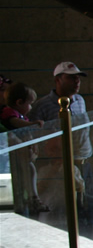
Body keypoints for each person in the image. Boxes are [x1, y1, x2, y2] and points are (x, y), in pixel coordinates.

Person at [30, 62, 93, 232]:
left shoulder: (80, 101)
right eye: (71, 78)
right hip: (60, 167)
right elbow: (34, 137)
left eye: (78, 78)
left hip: (83, 161)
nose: (77, 81)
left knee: (85, 206)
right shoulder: (42, 106)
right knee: (64, 209)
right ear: (58, 80)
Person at [1, 82, 49, 213]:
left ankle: (32, 198)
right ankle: (31, 199)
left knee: (30, 171)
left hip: (21, 156)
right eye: (30, 103)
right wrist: (31, 124)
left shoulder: (21, 115)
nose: (31, 107)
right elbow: (14, 122)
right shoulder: (9, 112)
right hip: (12, 156)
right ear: (19, 102)